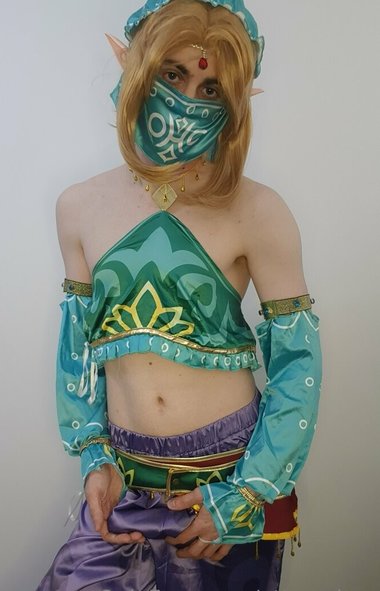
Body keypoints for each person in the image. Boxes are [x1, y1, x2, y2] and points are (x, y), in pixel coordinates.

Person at [36, 1, 322, 589]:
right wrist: (94, 456)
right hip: (123, 478)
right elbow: (79, 348)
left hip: (225, 481)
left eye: (210, 86)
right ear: (137, 66)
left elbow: (298, 367)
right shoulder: (78, 207)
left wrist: (248, 492)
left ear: (234, 100)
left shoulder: (259, 211)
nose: (189, 98)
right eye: (173, 73)